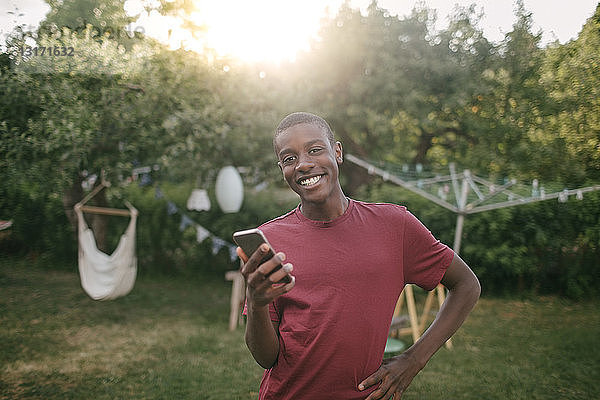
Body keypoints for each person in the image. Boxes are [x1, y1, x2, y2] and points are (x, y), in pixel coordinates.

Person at [237, 112, 481, 400]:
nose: (303, 164)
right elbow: (266, 358)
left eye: (315, 150)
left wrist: (414, 359)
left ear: (337, 152)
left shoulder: (394, 226)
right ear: (282, 169)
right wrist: (256, 303)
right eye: (289, 158)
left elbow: (467, 285)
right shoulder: (272, 239)